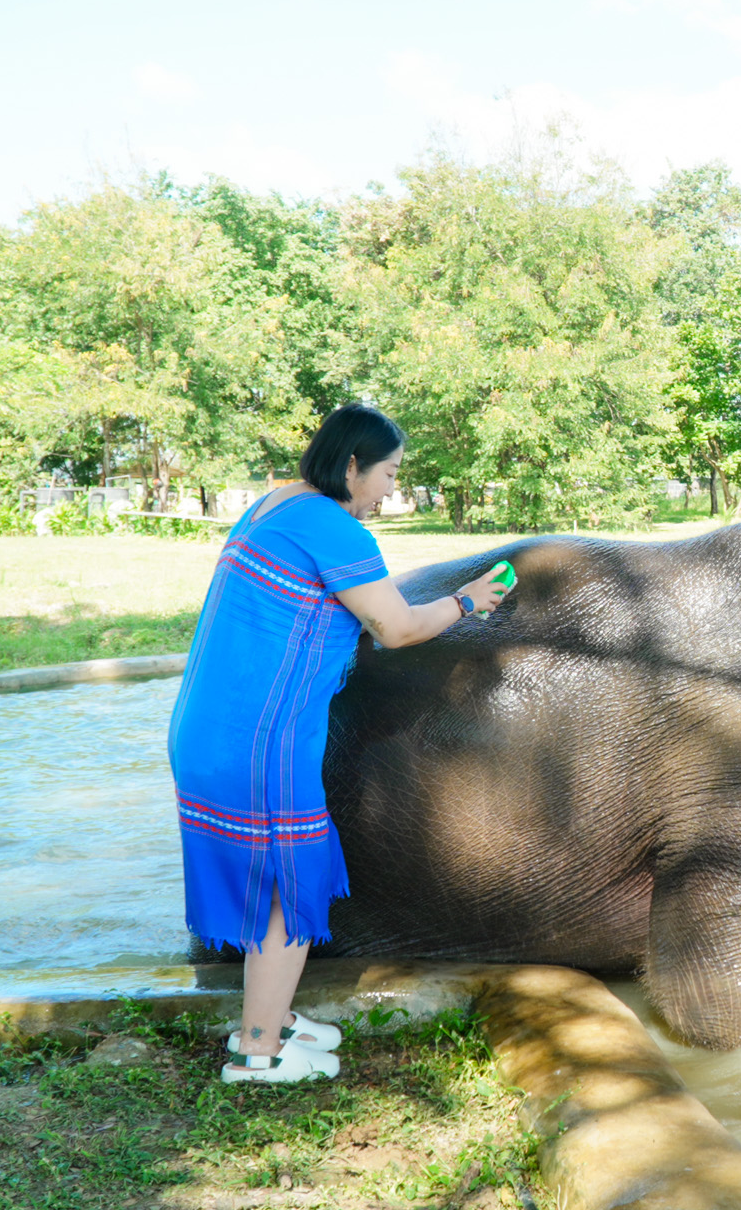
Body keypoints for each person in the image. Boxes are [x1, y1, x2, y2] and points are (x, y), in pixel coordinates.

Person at [167, 403, 513, 1084]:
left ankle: (273, 1014)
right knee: (286, 888)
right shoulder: (333, 525)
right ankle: (258, 1051)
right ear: (353, 464)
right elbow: (397, 627)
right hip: (260, 740)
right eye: (389, 473)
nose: (391, 489)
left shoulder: (275, 504)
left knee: (270, 880)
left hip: (208, 727)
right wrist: (469, 600)